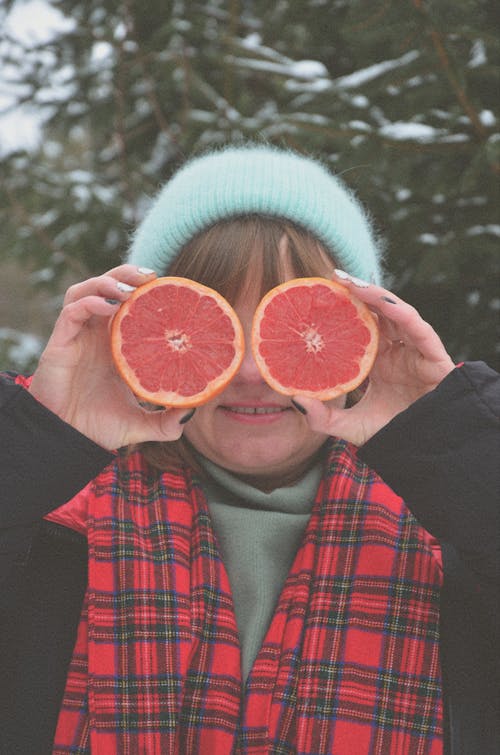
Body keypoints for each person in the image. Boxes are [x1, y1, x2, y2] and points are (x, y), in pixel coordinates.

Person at [0, 144, 498, 755]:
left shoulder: (454, 528)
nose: (253, 372)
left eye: (293, 328)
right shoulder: (50, 519)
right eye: (217, 330)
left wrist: (456, 444)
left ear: (363, 331)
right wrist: (35, 441)